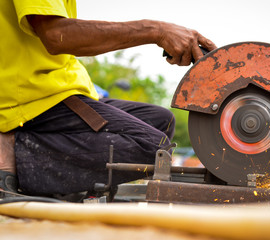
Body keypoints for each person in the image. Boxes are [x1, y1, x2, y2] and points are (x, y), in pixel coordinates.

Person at [0, 0, 216, 198]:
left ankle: (70, 189)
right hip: (29, 97)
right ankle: (11, 150)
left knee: (161, 119)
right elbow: (56, 35)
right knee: (153, 147)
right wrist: (156, 31)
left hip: (60, 89)